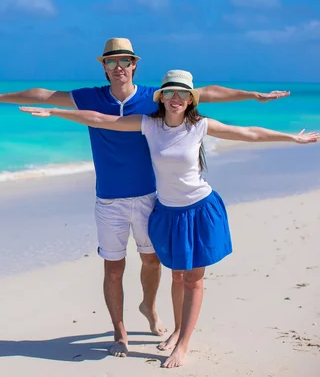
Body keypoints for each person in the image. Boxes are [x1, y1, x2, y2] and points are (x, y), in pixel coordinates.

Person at [0, 38, 291, 357]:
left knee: (152, 261)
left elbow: (206, 93)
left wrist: (253, 95)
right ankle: (119, 332)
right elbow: (44, 95)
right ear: (104, 67)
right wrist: (0, 98)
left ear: (134, 65)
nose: (119, 67)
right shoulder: (89, 98)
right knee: (113, 267)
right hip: (109, 199)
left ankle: (150, 309)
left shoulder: (155, 99)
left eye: (125, 61)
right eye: (112, 62)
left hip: (151, 197)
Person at [18, 69, 319, 368]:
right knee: (176, 276)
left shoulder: (200, 126)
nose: (176, 98)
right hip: (166, 211)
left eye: (183, 93)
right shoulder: (149, 124)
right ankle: (177, 330)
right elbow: (102, 120)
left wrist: (292, 137)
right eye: (170, 93)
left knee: (193, 280)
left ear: (191, 99)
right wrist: (56, 112)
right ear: (161, 98)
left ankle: (184, 344)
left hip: (199, 209)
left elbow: (249, 133)